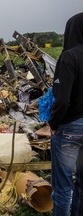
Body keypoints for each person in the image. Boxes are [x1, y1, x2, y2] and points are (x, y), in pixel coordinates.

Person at [48, 12, 83, 216]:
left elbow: (61, 100)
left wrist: (53, 123)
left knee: (62, 186)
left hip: (70, 127)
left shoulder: (69, 57)